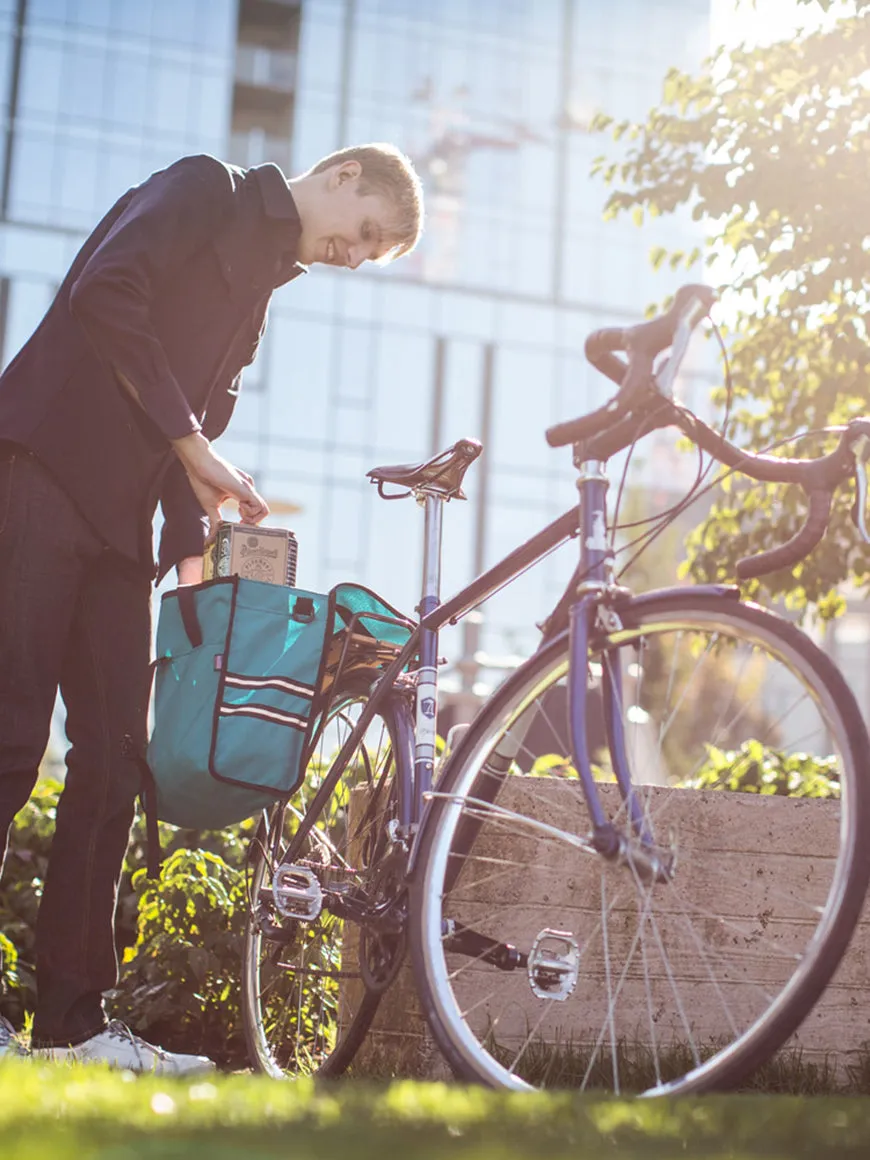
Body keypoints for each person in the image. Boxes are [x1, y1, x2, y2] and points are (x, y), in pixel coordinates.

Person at [0, 143, 424, 1072]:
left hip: (116, 532)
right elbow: (105, 295)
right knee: (9, 738)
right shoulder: (202, 188)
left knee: (115, 762)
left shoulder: (261, 305)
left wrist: (192, 562)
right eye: (364, 235)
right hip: (32, 475)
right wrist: (197, 448)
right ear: (344, 174)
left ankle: (70, 1027)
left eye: (372, 253)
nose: (356, 256)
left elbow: (178, 449)